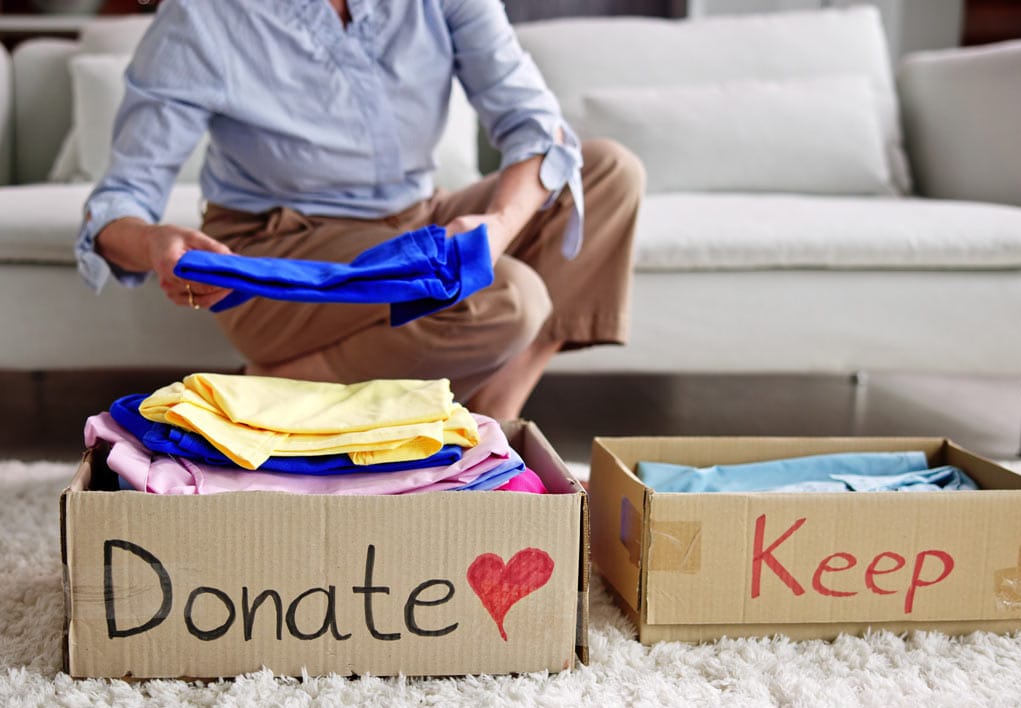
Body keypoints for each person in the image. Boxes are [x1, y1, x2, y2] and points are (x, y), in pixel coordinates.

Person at [76, 0, 644, 420]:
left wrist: (496, 229)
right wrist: (154, 243)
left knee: (606, 173)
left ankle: (500, 407)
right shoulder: (204, 17)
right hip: (280, 252)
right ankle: (278, 388)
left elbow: (537, 126)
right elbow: (119, 202)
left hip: (416, 221)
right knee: (507, 299)